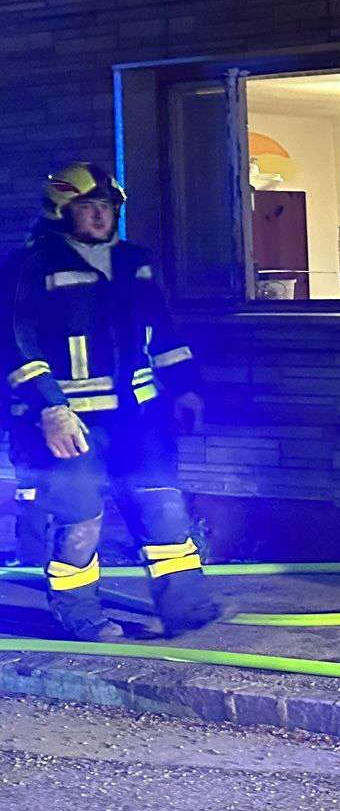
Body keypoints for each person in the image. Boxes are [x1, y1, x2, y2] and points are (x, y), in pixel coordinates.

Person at [3, 162, 218, 640]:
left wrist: (184, 387)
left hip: (138, 420)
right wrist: (51, 409)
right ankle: (79, 613)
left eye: (107, 207)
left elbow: (162, 332)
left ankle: (186, 607)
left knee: (163, 507)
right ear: (61, 211)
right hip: (69, 422)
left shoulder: (133, 261)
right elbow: (15, 343)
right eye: (87, 207)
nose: (101, 217)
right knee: (80, 519)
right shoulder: (28, 266)